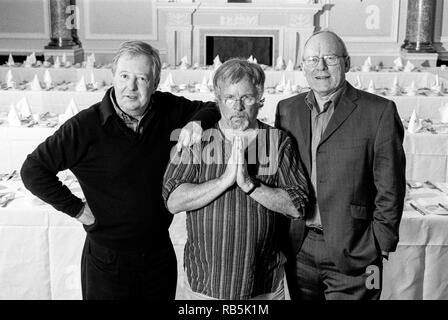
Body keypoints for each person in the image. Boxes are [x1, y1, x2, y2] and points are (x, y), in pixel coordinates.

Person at [20, 40, 220, 300]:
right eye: (124, 76)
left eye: (141, 78)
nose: (131, 87)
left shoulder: (168, 109)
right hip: (107, 262)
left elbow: (214, 107)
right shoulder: (85, 126)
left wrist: (196, 122)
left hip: (159, 254)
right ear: (113, 77)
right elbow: (33, 170)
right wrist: (78, 209)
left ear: (156, 82)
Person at [162, 58, 309, 300]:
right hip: (205, 286)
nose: (238, 107)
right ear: (217, 100)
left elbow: (298, 205)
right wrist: (224, 181)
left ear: (260, 99)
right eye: (230, 98)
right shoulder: (196, 139)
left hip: (264, 287)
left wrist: (249, 185)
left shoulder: (278, 141)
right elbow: (173, 200)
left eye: (247, 98)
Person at [275, 30, 406, 300]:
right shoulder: (287, 109)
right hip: (299, 247)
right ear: (302, 67)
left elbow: (391, 186)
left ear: (346, 63)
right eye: (312, 60)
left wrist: (379, 244)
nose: (320, 67)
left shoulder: (379, 111)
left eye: (330, 58)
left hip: (358, 252)